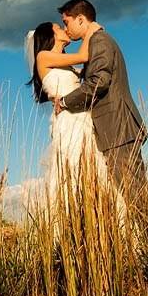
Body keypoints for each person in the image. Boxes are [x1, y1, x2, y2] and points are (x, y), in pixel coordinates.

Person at [51, 0, 148, 226]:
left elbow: (99, 82)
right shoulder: (97, 40)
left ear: (80, 19)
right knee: (132, 192)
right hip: (115, 129)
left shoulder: (100, 41)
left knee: (135, 193)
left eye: (66, 22)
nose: (66, 28)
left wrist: (65, 102)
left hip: (117, 128)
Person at [25, 19, 107, 206]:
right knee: (73, 167)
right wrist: (91, 30)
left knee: (92, 166)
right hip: (69, 121)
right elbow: (84, 55)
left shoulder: (65, 63)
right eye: (59, 28)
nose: (63, 30)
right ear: (51, 35)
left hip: (83, 118)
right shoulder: (44, 56)